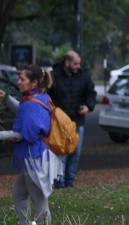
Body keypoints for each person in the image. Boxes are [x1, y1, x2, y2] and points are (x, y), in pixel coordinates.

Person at [0, 64, 61, 225]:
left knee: (39, 201)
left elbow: (21, 134)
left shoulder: (31, 105)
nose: (18, 82)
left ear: (34, 82)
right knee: (20, 194)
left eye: (22, 79)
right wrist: (6, 97)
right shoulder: (39, 97)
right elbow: (24, 111)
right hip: (38, 156)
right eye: (18, 78)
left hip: (34, 160)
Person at [48, 50, 96, 189]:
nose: (78, 66)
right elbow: (47, 95)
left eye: (79, 63)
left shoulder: (83, 77)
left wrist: (88, 106)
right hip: (59, 122)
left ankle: (70, 181)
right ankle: (60, 182)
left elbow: (91, 93)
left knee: (75, 152)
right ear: (67, 62)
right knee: (61, 152)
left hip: (77, 120)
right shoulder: (54, 76)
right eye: (75, 63)